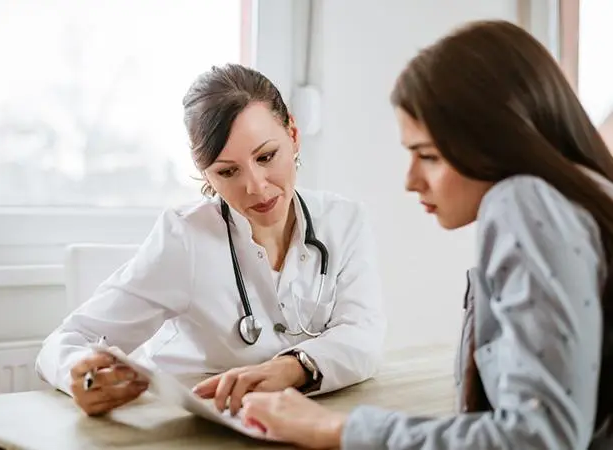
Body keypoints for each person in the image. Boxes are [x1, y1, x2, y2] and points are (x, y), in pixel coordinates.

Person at [237, 20, 613, 449]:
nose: (411, 181)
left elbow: (538, 438)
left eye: (428, 156)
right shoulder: (587, 197)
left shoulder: (522, 201)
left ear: (501, 141)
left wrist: (338, 430)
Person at [35, 63, 386, 417]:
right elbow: (65, 341)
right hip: (184, 425)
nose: (256, 186)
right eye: (227, 171)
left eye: (266, 156)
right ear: (205, 173)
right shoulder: (184, 238)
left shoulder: (344, 221)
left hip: (294, 424)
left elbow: (364, 336)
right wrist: (78, 375)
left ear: (292, 134)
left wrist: (292, 367)